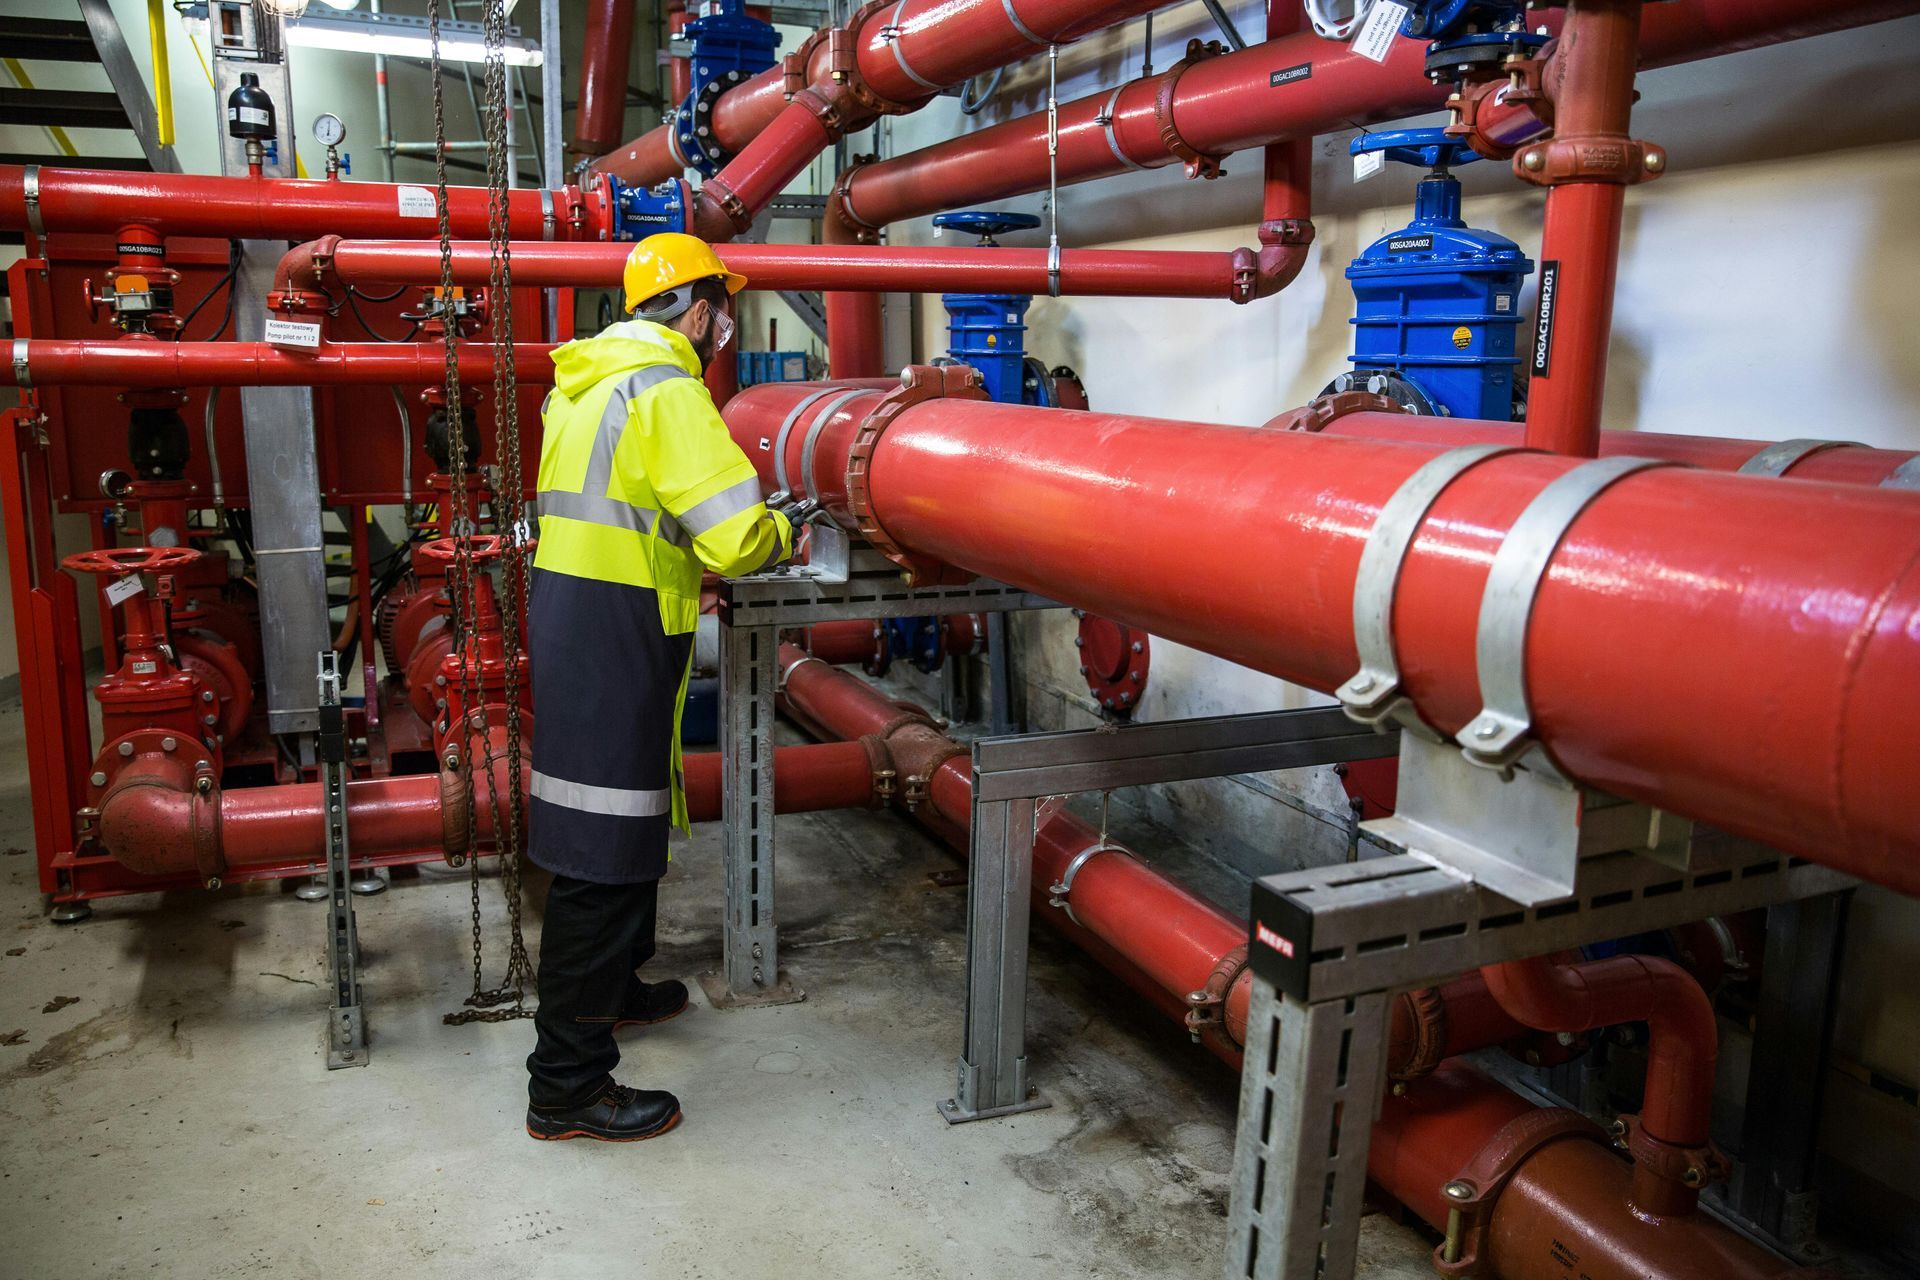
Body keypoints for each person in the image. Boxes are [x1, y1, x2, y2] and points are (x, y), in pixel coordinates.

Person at [523, 233, 792, 1142]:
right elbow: (733, 539)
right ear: (704, 308)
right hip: (618, 627)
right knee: (598, 858)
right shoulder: (667, 389)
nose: (725, 325)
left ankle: (617, 990)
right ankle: (565, 1085)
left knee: (621, 823)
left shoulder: (585, 382)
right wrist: (785, 532)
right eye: (725, 307)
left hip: (575, 615)